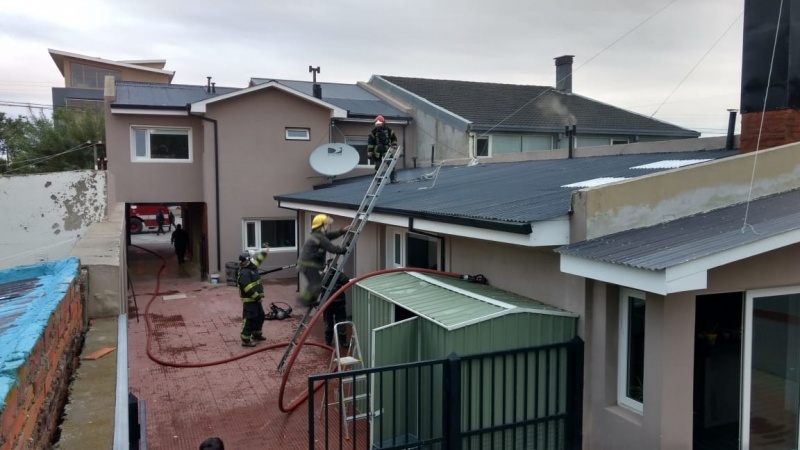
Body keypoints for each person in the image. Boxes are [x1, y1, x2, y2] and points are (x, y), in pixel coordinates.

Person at [296, 214, 349, 307]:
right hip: (308, 265)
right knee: (315, 283)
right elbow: (331, 248)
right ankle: (304, 300)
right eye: (326, 225)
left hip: (309, 265)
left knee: (317, 284)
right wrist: (343, 250)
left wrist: (341, 231)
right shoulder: (319, 237)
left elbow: (330, 236)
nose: (327, 227)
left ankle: (311, 301)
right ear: (321, 226)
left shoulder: (319, 235)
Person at [237, 246, 269, 347]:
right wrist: (257, 297)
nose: (252, 259)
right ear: (247, 260)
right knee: (249, 319)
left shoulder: (251, 267)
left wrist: (264, 252)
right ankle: (245, 339)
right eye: (251, 258)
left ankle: (257, 334)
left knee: (260, 316)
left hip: (255, 300)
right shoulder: (245, 273)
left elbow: (258, 260)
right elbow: (247, 288)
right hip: (250, 300)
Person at [322, 261, 350, 347]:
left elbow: (346, 280)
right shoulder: (324, 276)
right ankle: (328, 340)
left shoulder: (339, 276)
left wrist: (338, 273)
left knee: (341, 323)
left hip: (339, 303)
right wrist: (325, 273)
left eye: (336, 266)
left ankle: (343, 341)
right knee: (328, 324)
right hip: (328, 304)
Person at [367, 115, 399, 183]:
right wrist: (370, 151)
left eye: (379, 123)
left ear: (383, 123)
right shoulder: (373, 132)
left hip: (387, 149)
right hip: (377, 150)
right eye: (377, 124)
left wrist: (394, 144)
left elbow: (393, 138)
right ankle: (378, 181)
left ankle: (393, 179)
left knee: (391, 164)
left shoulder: (389, 130)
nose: (378, 125)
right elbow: (370, 143)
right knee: (378, 166)